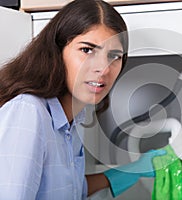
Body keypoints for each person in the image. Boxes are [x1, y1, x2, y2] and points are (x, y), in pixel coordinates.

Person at [0, 0, 165, 199]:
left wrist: (128, 171)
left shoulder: (73, 118)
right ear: (57, 52)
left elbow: (70, 189)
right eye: (87, 50)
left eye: (114, 56)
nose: (103, 68)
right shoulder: (28, 111)